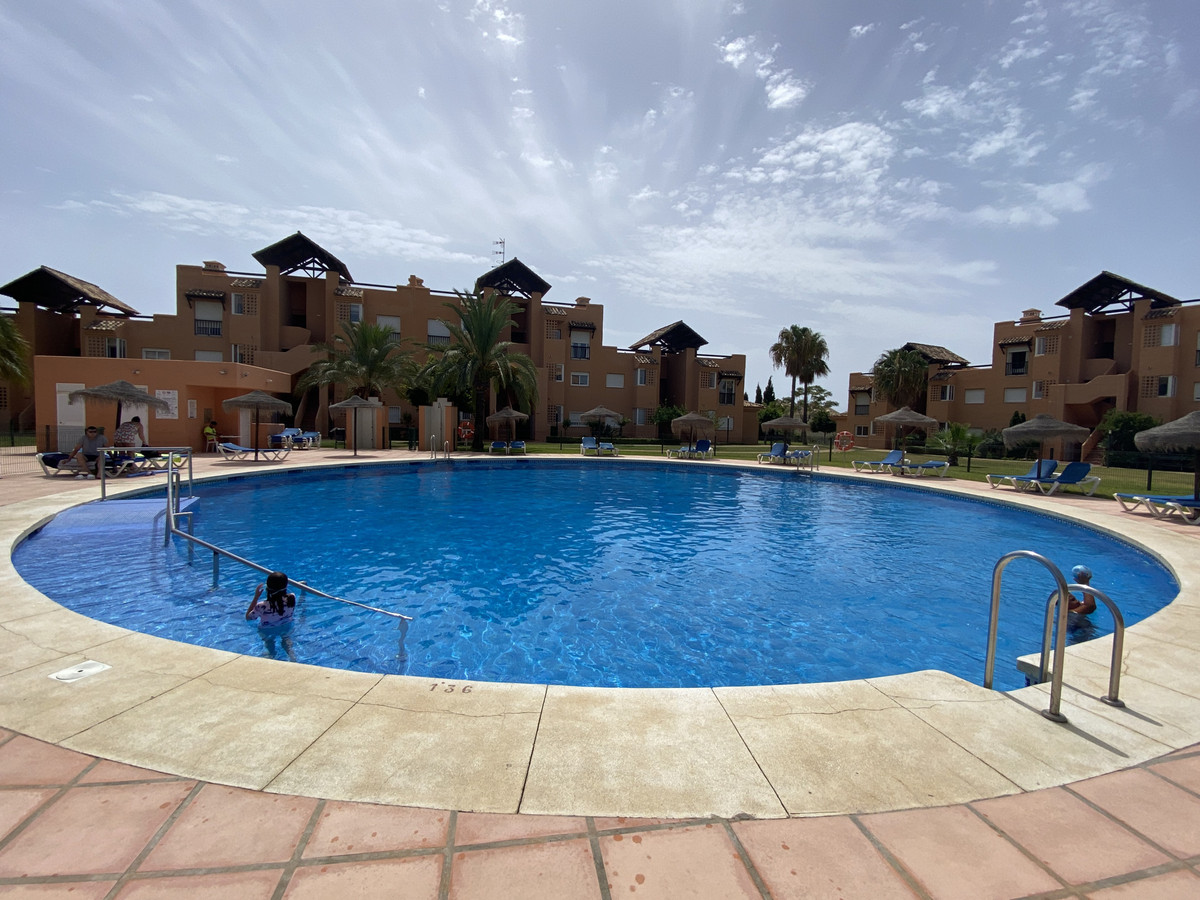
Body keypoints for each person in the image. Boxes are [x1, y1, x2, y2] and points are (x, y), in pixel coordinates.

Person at [245, 570, 297, 660]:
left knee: (269, 644)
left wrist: (256, 597)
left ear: (267, 587)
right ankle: (292, 657)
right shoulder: (292, 598)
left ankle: (271, 656)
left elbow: (249, 618)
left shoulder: (262, 606)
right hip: (286, 626)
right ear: (286, 586)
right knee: (286, 640)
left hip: (267, 630)